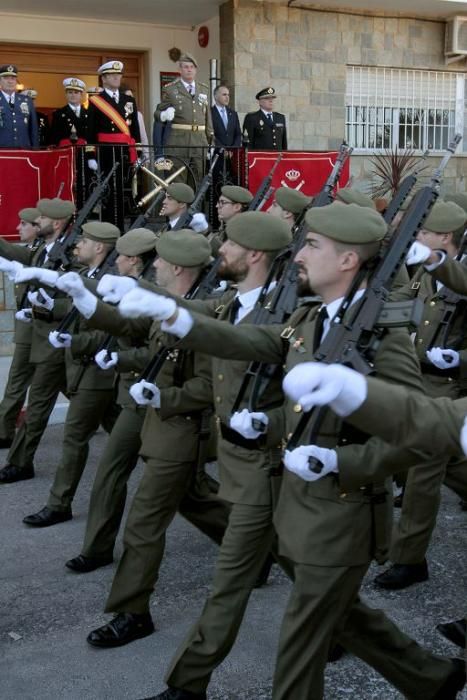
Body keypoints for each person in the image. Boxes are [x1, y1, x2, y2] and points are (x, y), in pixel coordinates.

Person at [116, 202, 465, 700]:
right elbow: (248, 342)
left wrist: (342, 462)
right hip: (289, 496)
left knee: (300, 645)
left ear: (347, 261)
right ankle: (430, 677)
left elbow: (418, 434)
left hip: (340, 514)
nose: (298, 255)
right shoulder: (310, 318)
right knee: (330, 614)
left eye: (313, 246)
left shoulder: (383, 338)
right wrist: (171, 313)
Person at [55, 229, 230, 648]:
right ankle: (259, 546)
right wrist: (83, 297)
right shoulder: (167, 307)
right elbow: (125, 322)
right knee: (197, 500)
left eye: (162, 263)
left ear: (178, 269)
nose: (156, 267)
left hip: (181, 429)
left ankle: (133, 612)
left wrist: (164, 395)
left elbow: (211, 386)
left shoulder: (203, 316)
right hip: (157, 423)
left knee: (143, 524)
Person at [374, 200, 467, 590]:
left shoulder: (454, 272)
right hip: (418, 381)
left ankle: (409, 559)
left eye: (424, 233)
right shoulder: (426, 275)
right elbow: (407, 309)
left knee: (422, 473)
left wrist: (458, 359)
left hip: (448, 389)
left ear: (444, 238)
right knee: (445, 466)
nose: (418, 239)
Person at [19, 221, 121, 527]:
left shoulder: (110, 282)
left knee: (74, 437)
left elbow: (106, 329)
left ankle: (59, 503)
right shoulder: (84, 275)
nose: (77, 244)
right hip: (79, 366)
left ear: (100, 247)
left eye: (85, 241)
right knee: (126, 435)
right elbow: (75, 305)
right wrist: (50, 307)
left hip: (96, 370)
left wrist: (72, 341)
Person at [0, 197, 75, 483]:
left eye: (40, 219)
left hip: (54, 340)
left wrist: (40, 308)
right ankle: (132, 436)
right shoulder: (43, 250)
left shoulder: (69, 253)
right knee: (89, 399)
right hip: (42, 337)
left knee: (39, 403)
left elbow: (71, 301)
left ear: (55, 223)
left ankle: (20, 462)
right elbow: (20, 258)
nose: (35, 222)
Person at [0, 207, 42, 448]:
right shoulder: (35, 250)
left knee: (18, 379)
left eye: (23, 224)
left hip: (40, 326)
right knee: (63, 379)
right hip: (30, 324)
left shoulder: (40, 252)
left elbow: (10, 251)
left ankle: (3, 430)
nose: (18, 228)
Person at [86, 60, 141, 230]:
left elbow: (135, 129)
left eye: (119, 74)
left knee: (126, 190)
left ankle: (126, 227)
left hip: (125, 151)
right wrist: (90, 155)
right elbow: (90, 131)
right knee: (110, 191)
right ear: (104, 78)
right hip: (106, 151)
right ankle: (110, 227)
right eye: (113, 75)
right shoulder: (96, 101)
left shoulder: (128, 99)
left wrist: (138, 153)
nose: (117, 78)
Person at [153, 53, 213, 185]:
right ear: (179, 70)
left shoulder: (204, 89)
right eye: (186, 67)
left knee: (197, 181)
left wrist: (210, 141)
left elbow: (207, 116)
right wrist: (164, 115)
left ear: (196, 70)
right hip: (178, 142)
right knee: (178, 182)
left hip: (199, 141)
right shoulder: (171, 89)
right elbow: (157, 113)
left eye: (192, 67)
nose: (189, 69)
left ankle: (194, 207)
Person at [50, 78, 89, 208]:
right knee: (66, 182)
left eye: (76, 92)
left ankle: (83, 208)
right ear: (66, 94)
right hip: (65, 155)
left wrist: (92, 156)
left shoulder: (88, 114)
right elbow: (54, 138)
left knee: (85, 182)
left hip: (84, 154)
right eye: (70, 92)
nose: (73, 95)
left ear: (81, 95)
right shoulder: (59, 114)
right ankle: (66, 208)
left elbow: (91, 137)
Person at [0, 65, 38, 148]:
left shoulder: (27, 101)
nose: (10, 81)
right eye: (6, 78)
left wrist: (35, 151)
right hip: (2, 153)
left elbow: (33, 130)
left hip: (24, 152)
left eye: (13, 78)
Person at [209, 184, 253, 253]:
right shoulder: (225, 231)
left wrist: (206, 233)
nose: (217, 206)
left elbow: (226, 255)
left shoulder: (244, 234)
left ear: (237, 207)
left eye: (222, 202)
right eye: (218, 202)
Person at [242, 87, 287, 151]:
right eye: (267, 98)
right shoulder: (252, 118)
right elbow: (248, 143)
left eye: (272, 98)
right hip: (261, 158)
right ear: (260, 102)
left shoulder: (280, 118)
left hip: (278, 158)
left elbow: (284, 143)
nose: (271, 100)